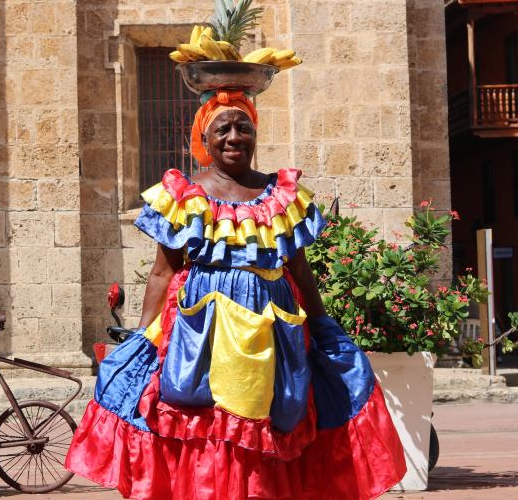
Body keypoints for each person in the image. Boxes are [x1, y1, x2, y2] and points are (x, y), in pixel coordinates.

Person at [65, 90, 407, 499]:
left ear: (255, 136)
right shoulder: (185, 195)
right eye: (221, 129)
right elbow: (163, 271)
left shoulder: (282, 197)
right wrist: (144, 336)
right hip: (200, 334)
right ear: (204, 141)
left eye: (243, 127)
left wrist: (323, 328)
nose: (233, 137)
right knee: (205, 419)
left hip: (272, 334)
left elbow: (299, 269)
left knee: (270, 417)